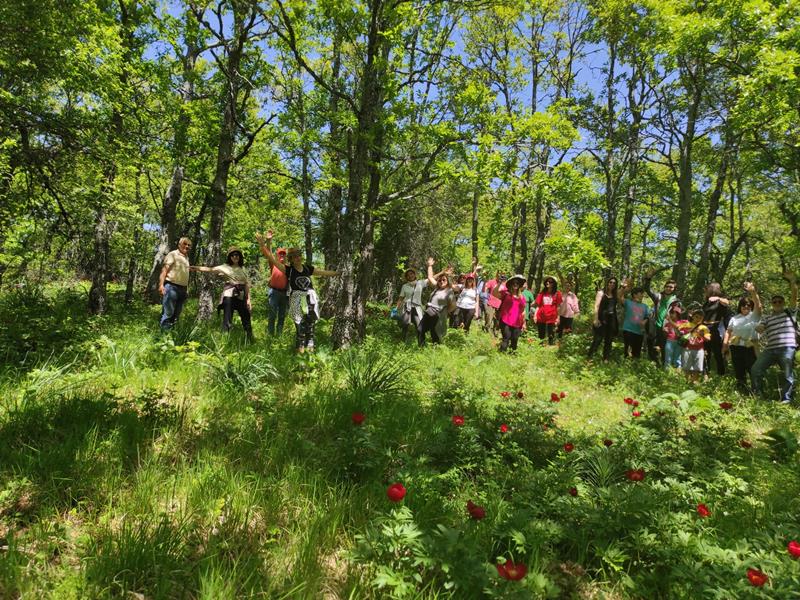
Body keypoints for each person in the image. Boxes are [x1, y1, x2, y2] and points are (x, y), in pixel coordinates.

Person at [257, 230, 338, 352]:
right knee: (300, 325)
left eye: (299, 255)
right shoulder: (288, 270)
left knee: (310, 325)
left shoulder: (307, 268)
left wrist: (337, 273)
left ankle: (310, 352)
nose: (297, 258)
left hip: (310, 299)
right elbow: (272, 259)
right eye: (294, 256)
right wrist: (263, 245)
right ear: (291, 259)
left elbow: (322, 272)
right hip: (297, 299)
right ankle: (300, 352)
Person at [752, 271, 798, 404]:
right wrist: (755, 326)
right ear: (772, 303)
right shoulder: (767, 317)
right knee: (756, 369)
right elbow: (760, 328)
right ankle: (758, 395)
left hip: (787, 348)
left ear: (783, 303)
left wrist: (792, 281)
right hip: (770, 349)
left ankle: (786, 399)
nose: (777, 303)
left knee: (787, 374)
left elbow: (794, 296)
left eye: (779, 301)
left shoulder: (790, 312)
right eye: (774, 301)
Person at [191, 247, 253, 339]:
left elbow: (247, 284)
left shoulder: (242, 268)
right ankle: (225, 339)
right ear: (230, 257)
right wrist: (195, 268)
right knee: (227, 318)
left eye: (237, 255)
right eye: (233, 255)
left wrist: (248, 300)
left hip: (241, 296)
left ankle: (250, 338)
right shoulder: (224, 267)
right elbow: (210, 269)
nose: (235, 256)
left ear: (240, 257)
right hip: (229, 295)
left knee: (246, 317)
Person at [722, 282, 761, 393]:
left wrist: (752, 291)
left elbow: (759, 305)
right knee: (739, 370)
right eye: (743, 305)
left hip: (750, 347)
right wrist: (725, 344)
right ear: (740, 306)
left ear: (751, 307)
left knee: (752, 369)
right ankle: (741, 391)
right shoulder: (734, 318)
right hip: (736, 346)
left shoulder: (754, 316)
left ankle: (756, 391)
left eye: (748, 305)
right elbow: (728, 332)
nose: (746, 307)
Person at [643, 269, 679, 364]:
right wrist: (648, 278)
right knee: (651, 345)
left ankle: (664, 365)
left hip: (666, 327)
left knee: (664, 347)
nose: (668, 288)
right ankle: (654, 364)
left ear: (674, 289)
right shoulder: (658, 296)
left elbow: (678, 316)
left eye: (671, 287)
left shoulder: (676, 302)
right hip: (655, 325)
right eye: (667, 286)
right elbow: (647, 289)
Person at [418, 258, 456, 346]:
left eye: (444, 280)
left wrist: (444, 312)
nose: (441, 281)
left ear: (447, 281)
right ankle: (421, 347)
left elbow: (453, 306)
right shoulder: (436, 287)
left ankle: (436, 350)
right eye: (440, 280)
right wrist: (430, 265)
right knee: (420, 329)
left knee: (435, 333)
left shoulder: (449, 291)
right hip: (429, 312)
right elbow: (430, 277)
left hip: (438, 314)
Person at [257, 237, 289, 336]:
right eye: (280, 254)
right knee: (272, 314)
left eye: (284, 254)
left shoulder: (288, 268)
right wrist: (268, 241)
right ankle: (270, 335)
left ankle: (279, 335)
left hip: (284, 294)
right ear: (277, 255)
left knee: (282, 316)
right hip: (274, 292)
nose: (282, 255)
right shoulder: (274, 264)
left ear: (286, 256)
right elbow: (268, 253)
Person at [158, 237, 192, 331]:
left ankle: (171, 337)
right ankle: (163, 338)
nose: (187, 246)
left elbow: (184, 274)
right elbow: (164, 270)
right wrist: (161, 285)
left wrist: (187, 289)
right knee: (168, 313)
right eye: (185, 244)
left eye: (189, 245)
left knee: (176, 315)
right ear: (179, 244)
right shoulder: (173, 254)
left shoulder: (186, 258)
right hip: (171, 287)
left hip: (182, 290)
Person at [702, 282, 731, 377]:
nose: (705, 291)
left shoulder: (721, 301)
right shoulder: (707, 302)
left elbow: (727, 303)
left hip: (715, 330)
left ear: (712, 289)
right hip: (705, 330)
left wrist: (718, 298)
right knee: (706, 354)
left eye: (707, 289)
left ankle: (721, 376)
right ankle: (706, 375)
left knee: (718, 354)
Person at [493, 274, 527, 352]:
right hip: (505, 320)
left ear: (519, 285)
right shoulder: (506, 293)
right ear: (511, 284)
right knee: (506, 337)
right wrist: (499, 283)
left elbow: (523, 311)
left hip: (517, 322)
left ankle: (512, 355)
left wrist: (524, 323)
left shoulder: (522, 297)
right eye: (514, 283)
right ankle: (501, 354)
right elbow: (494, 294)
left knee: (515, 340)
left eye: (517, 283)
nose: (515, 284)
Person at [588, 277, 619, 361]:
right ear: (607, 283)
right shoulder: (601, 293)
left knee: (609, 340)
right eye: (610, 282)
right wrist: (596, 318)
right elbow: (596, 306)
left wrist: (624, 286)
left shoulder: (615, 295)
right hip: (602, 319)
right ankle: (590, 358)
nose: (612, 284)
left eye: (614, 283)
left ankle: (605, 359)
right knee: (597, 339)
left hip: (612, 320)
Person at [618, 279, 651, 359]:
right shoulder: (628, 302)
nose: (642, 295)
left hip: (639, 332)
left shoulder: (645, 306)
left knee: (637, 353)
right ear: (635, 295)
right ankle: (625, 367)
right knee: (628, 351)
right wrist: (623, 287)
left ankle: (634, 367)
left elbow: (647, 316)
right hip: (628, 330)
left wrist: (644, 321)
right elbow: (618, 296)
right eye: (641, 294)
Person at [679, 308, 711, 384]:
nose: (698, 319)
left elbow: (708, 339)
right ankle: (687, 382)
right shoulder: (686, 324)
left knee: (697, 368)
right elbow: (678, 329)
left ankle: (694, 382)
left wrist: (702, 335)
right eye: (696, 317)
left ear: (702, 318)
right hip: (687, 348)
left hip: (699, 349)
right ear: (692, 316)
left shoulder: (704, 327)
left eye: (700, 318)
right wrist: (683, 332)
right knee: (686, 367)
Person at [395, 267, 427, 343]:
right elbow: (401, 298)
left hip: (417, 308)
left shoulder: (420, 283)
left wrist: (442, 272)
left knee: (419, 326)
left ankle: (421, 344)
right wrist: (396, 308)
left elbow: (431, 278)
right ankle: (402, 343)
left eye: (411, 274)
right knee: (404, 325)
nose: (410, 275)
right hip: (407, 307)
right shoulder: (404, 286)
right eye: (408, 275)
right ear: (406, 277)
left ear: (414, 274)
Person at [534, 276, 562, 345]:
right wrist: (535, 315)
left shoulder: (558, 294)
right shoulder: (542, 293)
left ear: (554, 284)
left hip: (552, 317)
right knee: (541, 333)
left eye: (550, 282)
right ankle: (540, 347)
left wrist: (558, 317)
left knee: (551, 333)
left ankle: (550, 346)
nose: (548, 283)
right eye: (547, 281)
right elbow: (538, 306)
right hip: (541, 316)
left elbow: (558, 306)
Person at [556, 272, 580, 338]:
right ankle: (559, 341)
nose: (567, 287)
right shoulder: (560, 295)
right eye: (566, 286)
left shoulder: (573, 296)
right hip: (561, 315)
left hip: (569, 315)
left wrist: (577, 312)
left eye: (568, 286)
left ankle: (566, 342)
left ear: (570, 287)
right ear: (563, 286)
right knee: (560, 329)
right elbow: (557, 305)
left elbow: (575, 305)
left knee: (568, 330)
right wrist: (556, 314)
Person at [662, 303, 685, 370]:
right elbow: (665, 334)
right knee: (668, 357)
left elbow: (678, 327)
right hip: (669, 341)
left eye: (672, 313)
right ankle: (667, 371)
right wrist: (665, 331)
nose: (671, 314)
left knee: (677, 358)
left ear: (678, 314)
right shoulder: (667, 323)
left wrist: (669, 320)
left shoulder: (682, 322)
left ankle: (677, 371)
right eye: (670, 313)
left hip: (678, 342)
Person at [482, 270, 501, 336]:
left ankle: (495, 332)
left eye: (502, 274)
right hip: (491, 303)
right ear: (497, 274)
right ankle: (486, 329)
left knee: (497, 320)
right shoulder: (491, 281)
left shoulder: (504, 284)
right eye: (499, 273)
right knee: (489, 317)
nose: (500, 275)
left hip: (499, 304)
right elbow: (485, 289)